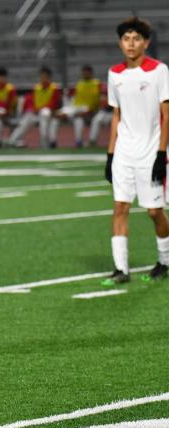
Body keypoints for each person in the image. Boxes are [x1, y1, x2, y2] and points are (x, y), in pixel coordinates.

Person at [102, 17, 169, 285]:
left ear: (146, 43)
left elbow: (167, 114)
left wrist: (161, 155)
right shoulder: (114, 74)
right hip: (124, 153)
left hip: (151, 151)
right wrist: (110, 155)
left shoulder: (159, 71)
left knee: (154, 212)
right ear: (120, 43)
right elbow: (116, 115)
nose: (131, 44)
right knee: (120, 207)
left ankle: (164, 261)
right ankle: (121, 270)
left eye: (136, 39)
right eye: (126, 39)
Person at [7, 67, 62, 148]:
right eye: (42, 77)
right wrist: (32, 109)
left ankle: (44, 142)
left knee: (44, 113)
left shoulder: (55, 88)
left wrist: (40, 109)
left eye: (45, 77)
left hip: (49, 114)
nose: (43, 79)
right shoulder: (37, 88)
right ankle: (12, 140)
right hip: (36, 112)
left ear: (49, 77)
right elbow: (31, 100)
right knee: (26, 119)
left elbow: (54, 103)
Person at [56, 65, 103, 148]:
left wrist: (91, 110)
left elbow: (97, 99)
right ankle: (78, 141)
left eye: (87, 72)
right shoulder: (79, 83)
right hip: (77, 107)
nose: (85, 74)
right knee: (77, 119)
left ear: (91, 73)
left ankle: (92, 141)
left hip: (88, 108)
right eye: (84, 72)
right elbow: (75, 98)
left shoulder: (96, 83)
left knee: (79, 114)